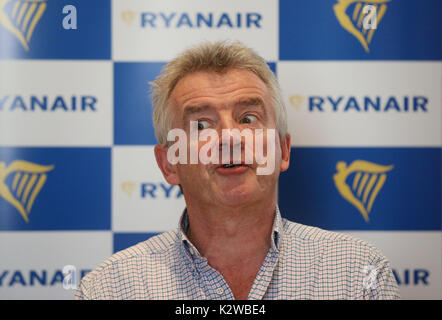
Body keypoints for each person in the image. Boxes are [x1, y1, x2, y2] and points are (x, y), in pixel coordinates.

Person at [75, 41, 400, 300]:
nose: (230, 136)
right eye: (201, 124)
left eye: (248, 118)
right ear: (169, 164)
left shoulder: (358, 274)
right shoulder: (110, 289)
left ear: (283, 151)